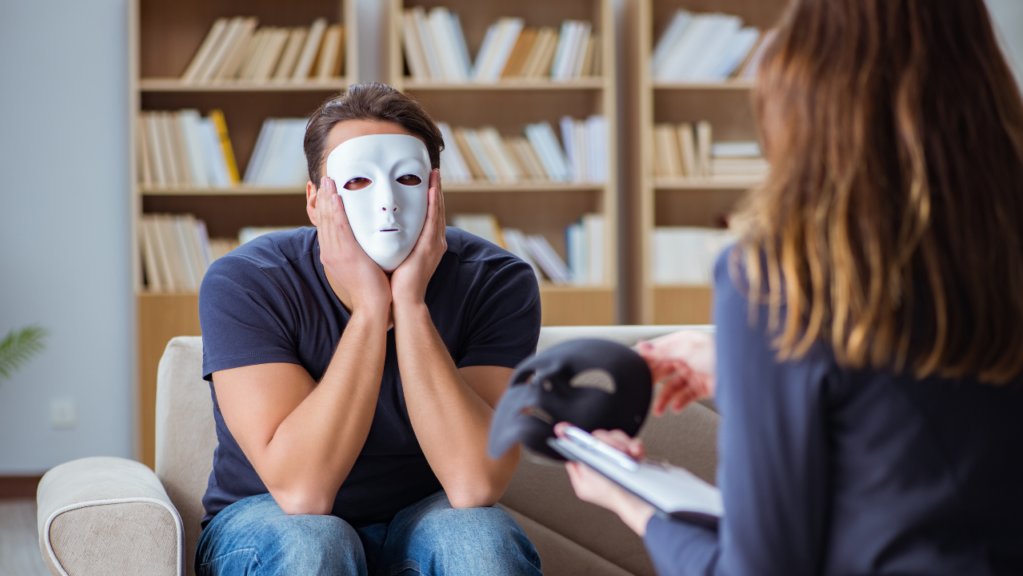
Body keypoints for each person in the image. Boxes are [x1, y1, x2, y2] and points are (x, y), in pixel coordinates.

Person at [558, 0, 1023, 574]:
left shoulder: (777, 284)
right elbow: (918, 425)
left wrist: (634, 503)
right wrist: (748, 370)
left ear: (801, 99)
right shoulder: (995, 252)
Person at [195, 83, 543, 576]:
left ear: (435, 192)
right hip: (269, 518)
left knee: (479, 541)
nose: (387, 203)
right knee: (314, 543)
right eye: (357, 182)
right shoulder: (247, 282)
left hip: (425, 517)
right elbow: (303, 491)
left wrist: (412, 303)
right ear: (315, 202)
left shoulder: (497, 281)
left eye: (406, 178)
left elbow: (474, 484)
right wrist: (370, 310)